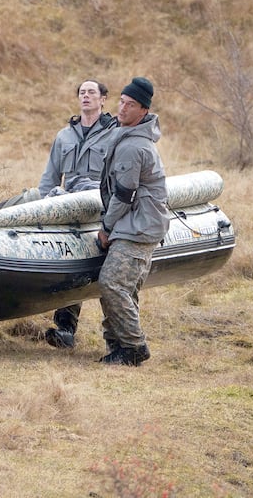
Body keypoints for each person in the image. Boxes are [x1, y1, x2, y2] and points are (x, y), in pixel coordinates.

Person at [38, 79, 117, 349]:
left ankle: (118, 337)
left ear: (103, 99)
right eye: (82, 92)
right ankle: (65, 329)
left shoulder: (114, 133)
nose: (86, 96)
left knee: (111, 274)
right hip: (70, 207)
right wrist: (43, 208)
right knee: (70, 267)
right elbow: (50, 178)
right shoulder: (65, 136)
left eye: (91, 92)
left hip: (102, 207)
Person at [96, 77, 170, 366]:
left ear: (143, 111)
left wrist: (106, 228)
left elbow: (124, 195)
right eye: (122, 102)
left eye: (131, 105)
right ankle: (117, 344)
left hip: (138, 227)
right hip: (141, 223)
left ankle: (133, 347)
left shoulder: (133, 145)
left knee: (112, 283)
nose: (123, 108)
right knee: (123, 287)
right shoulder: (128, 135)